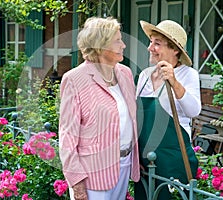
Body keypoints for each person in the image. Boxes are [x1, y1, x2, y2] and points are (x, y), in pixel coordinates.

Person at [59, 17, 140, 200]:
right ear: (100, 45)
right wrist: (77, 183)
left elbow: (130, 120)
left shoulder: (125, 74)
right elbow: (67, 137)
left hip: (124, 165)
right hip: (92, 173)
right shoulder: (75, 79)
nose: (123, 45)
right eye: (118, 40)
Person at [135, 20, 201, 199]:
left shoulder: (188, 74)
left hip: (173, 158)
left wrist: (174, 82)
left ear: (175, 50)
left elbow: (194, 111)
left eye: (157, 43)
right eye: (150, 42)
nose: (150, 48)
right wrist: (135, 155)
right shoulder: (144, 76)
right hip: (145, 160)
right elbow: (136, 119)